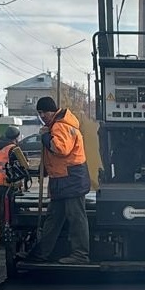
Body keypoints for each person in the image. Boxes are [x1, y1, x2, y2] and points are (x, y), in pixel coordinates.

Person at [22, 96, 91, 264]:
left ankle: (80, 255)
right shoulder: (56, 125)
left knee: (76, 217)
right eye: (39, 113)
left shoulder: (61, 126)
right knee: (53, 218)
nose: (42, 116)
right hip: (62, 179)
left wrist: (45, 137)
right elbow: (54, 156)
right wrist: (43, 169)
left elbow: (60, 149)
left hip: (71, 179)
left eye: (43, 112)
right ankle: (41, 253)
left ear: (51, 111)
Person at [0, 125, 31, 247]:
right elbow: (25, 165)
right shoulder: (13, 149)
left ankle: (3, 239)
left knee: (3, 213)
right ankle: (12, 240)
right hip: (9, 183)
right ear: (16, 137)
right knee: (12, 213)